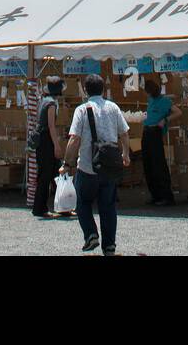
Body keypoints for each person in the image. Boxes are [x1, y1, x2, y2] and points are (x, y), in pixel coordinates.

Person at [61, 73, 130, 255]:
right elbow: (124, 133)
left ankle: (91, 234)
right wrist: (125, 154)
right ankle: (109, 246)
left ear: (85, 90)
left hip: (87, 166)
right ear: (104, 89)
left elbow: (74, 139)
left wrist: (67, 163)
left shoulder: (82, 110)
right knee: (108, 207)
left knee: (82, 202)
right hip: (109, 167)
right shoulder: (113, 108)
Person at [142, 77, 180, 206]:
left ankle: (166, 196)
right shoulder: (150, 100)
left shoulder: (165, 101)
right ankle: (155, 195)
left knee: (158, 164)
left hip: (155, 132)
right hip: (147, 131)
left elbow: (178, 112)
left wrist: (165, 120)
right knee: (148, 164)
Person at [32, 76, 67, 218]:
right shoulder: (52, 104)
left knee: (52, 173)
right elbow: (51, 126)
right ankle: (40, 208)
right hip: (47, 141)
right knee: (47, 175)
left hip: (41, 141)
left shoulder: (43, 101)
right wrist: (57, 145)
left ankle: (62, 206)